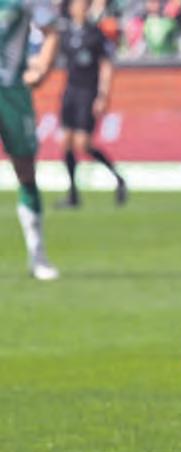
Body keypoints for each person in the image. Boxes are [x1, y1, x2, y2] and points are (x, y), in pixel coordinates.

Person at [1, 0, 60, 280]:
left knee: (25, 171)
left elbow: (51, 31)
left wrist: (43, 67)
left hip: (12, 92)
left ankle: (38, 257)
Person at [56, 0, 127, 209]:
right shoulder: (66, 33)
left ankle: (118, 178)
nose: (79, 8)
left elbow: (107, 65)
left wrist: (103, 96)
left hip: (88, 93)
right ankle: (73, 194)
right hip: (70, 92)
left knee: (83, 144)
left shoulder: (95, 34)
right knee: (66, 142)